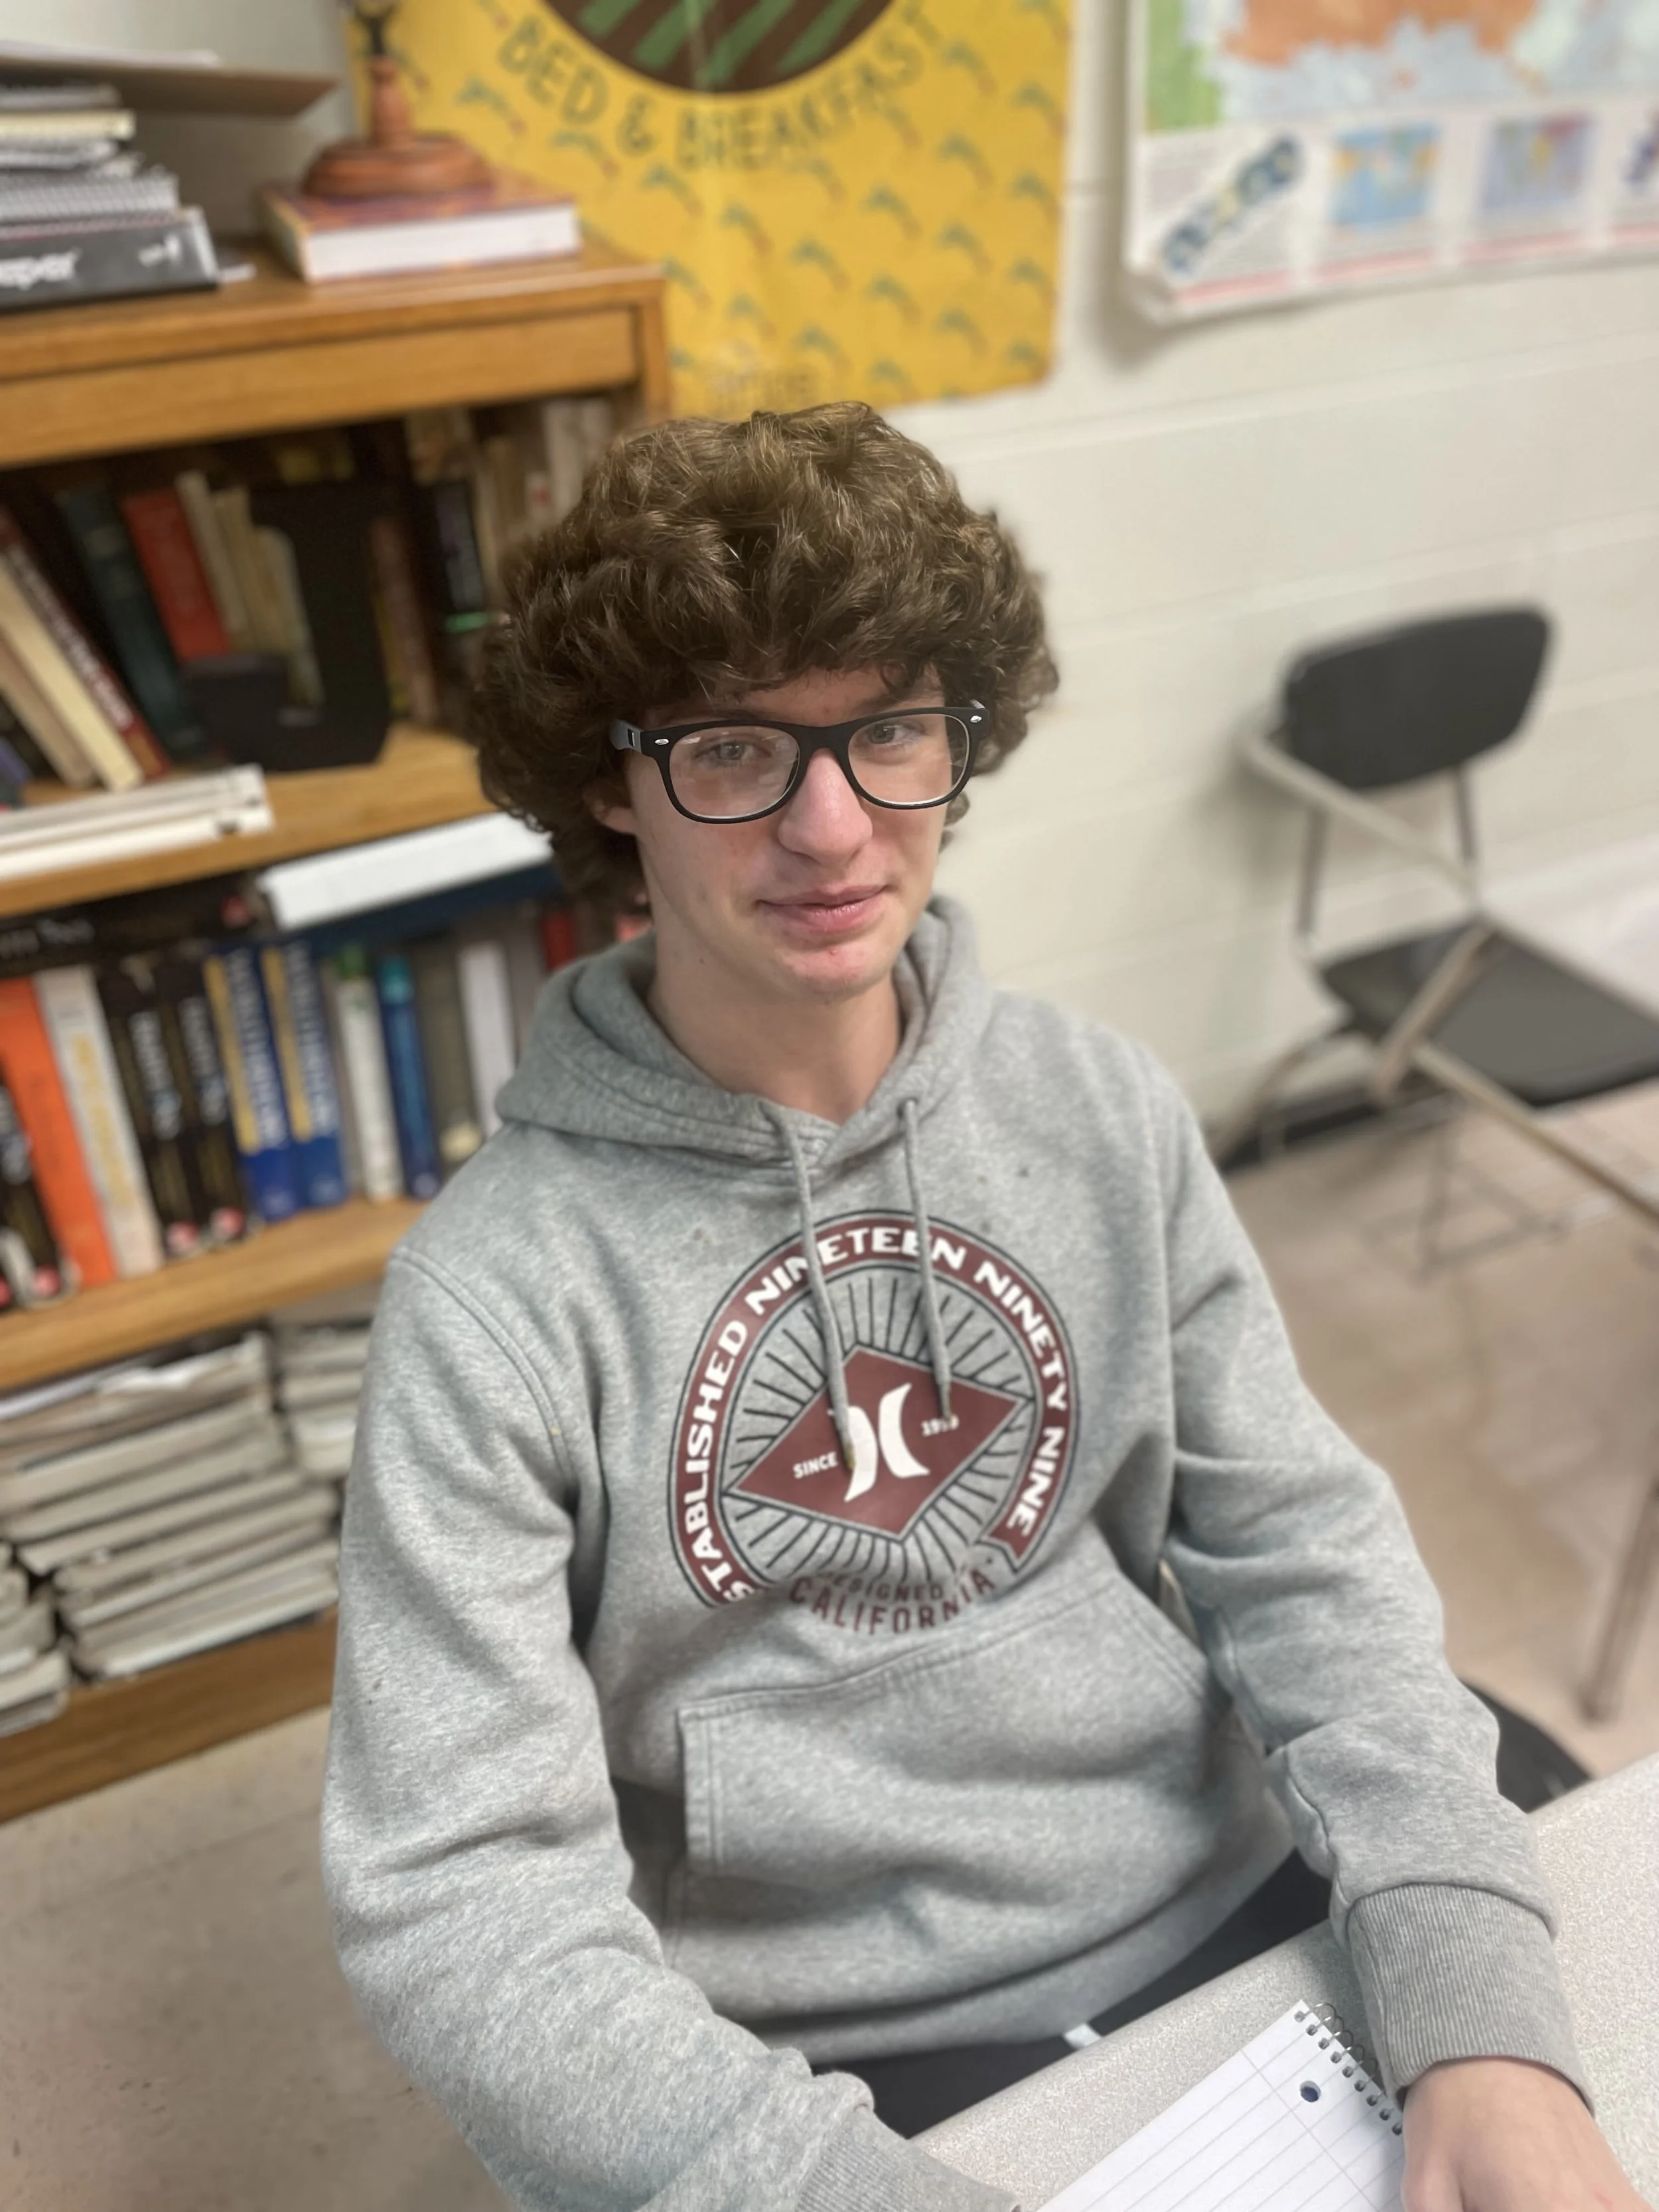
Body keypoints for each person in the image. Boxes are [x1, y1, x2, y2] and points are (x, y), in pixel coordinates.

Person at [321, 404, 1644, 2212]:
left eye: (887, 729)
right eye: (732, 747)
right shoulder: (487, 1302)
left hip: (1224, 1885)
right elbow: (463, 1900)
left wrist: (1484, 2019)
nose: (831, 827)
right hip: (826, 2049)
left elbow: (1305, 1552)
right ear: (610, 787)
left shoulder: (1097, 1107)